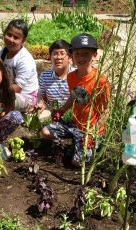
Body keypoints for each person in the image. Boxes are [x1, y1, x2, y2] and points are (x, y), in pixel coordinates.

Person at [41, 33, 111, 167]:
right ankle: (73, 141)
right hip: (75, 124)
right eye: (77, 54)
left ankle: (91, 146)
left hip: (91, 129)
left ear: (94, 55)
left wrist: (94, 133)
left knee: (77, 163)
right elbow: (74, 96)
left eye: (86, 54)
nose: (81, 57)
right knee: (45, 132)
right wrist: (61, 111)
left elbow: (106, 111)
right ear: (72, 56)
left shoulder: (101, 81)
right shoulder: (72, 77)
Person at [0, 19, 39, 112]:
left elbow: (17, 88)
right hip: (6, 90)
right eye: (9, 35)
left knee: (7, 101)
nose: (11, 39)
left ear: (23, 40)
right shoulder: (3, 51)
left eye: (16, 37)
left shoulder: (25, 60)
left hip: (26, 96)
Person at [36, 39, 74, 111]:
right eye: (55, 54)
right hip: (53, 115)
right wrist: (41, 104)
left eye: (62, 53)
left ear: (70, 58)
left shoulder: (76, 75)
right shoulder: (44, 77)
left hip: (73, 115)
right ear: (50, 58)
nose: (58, 57)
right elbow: (42, 99)